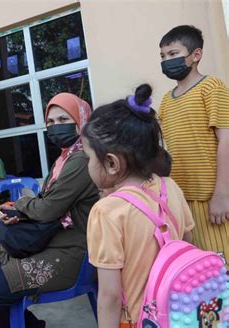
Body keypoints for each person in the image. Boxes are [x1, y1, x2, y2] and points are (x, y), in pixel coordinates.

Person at [0, 93, 100, 327]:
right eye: (50, 122)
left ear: (81, 121)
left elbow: (48, 209)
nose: (55, 127)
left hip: (70, 252)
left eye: (63, 120)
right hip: (49, 241)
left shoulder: (81, 160)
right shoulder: (63, 160)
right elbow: (44, 202)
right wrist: (17, 215)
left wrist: (19, 205)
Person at [83, 84, 195, 327]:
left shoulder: (106, 212)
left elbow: (110, 296)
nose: (88, 165)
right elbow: (187, 247)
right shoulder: (170, 187)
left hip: (138, 320)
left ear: (112, 163)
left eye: (89, 158)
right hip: (180, 315)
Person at [158, 25, 229, 261]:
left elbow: (226, 139)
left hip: (212, 199)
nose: (167, 60)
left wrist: (222, 193)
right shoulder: (166, 102)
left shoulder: (211, 88)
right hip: (183, 201)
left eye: (173, 54)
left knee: (223, 267)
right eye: (163, 56)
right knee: (202, 274)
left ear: (196, 55)